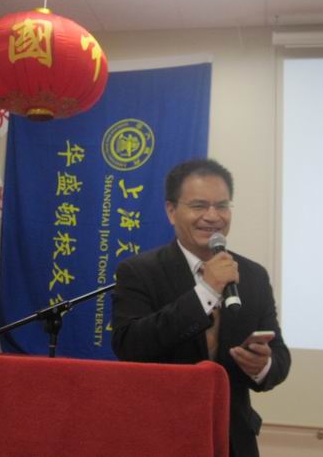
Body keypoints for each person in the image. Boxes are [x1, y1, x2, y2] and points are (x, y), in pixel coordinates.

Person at [111, 158, 291, 457]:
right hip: (160, 436)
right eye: (199, 206)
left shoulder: (253, 275)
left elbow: (280, 357)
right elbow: (129, 345)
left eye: (222, 206)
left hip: (233, 439)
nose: (212, 216)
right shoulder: (139, 271)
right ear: (171, 211)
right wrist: (206, 291)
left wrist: (263, 366)